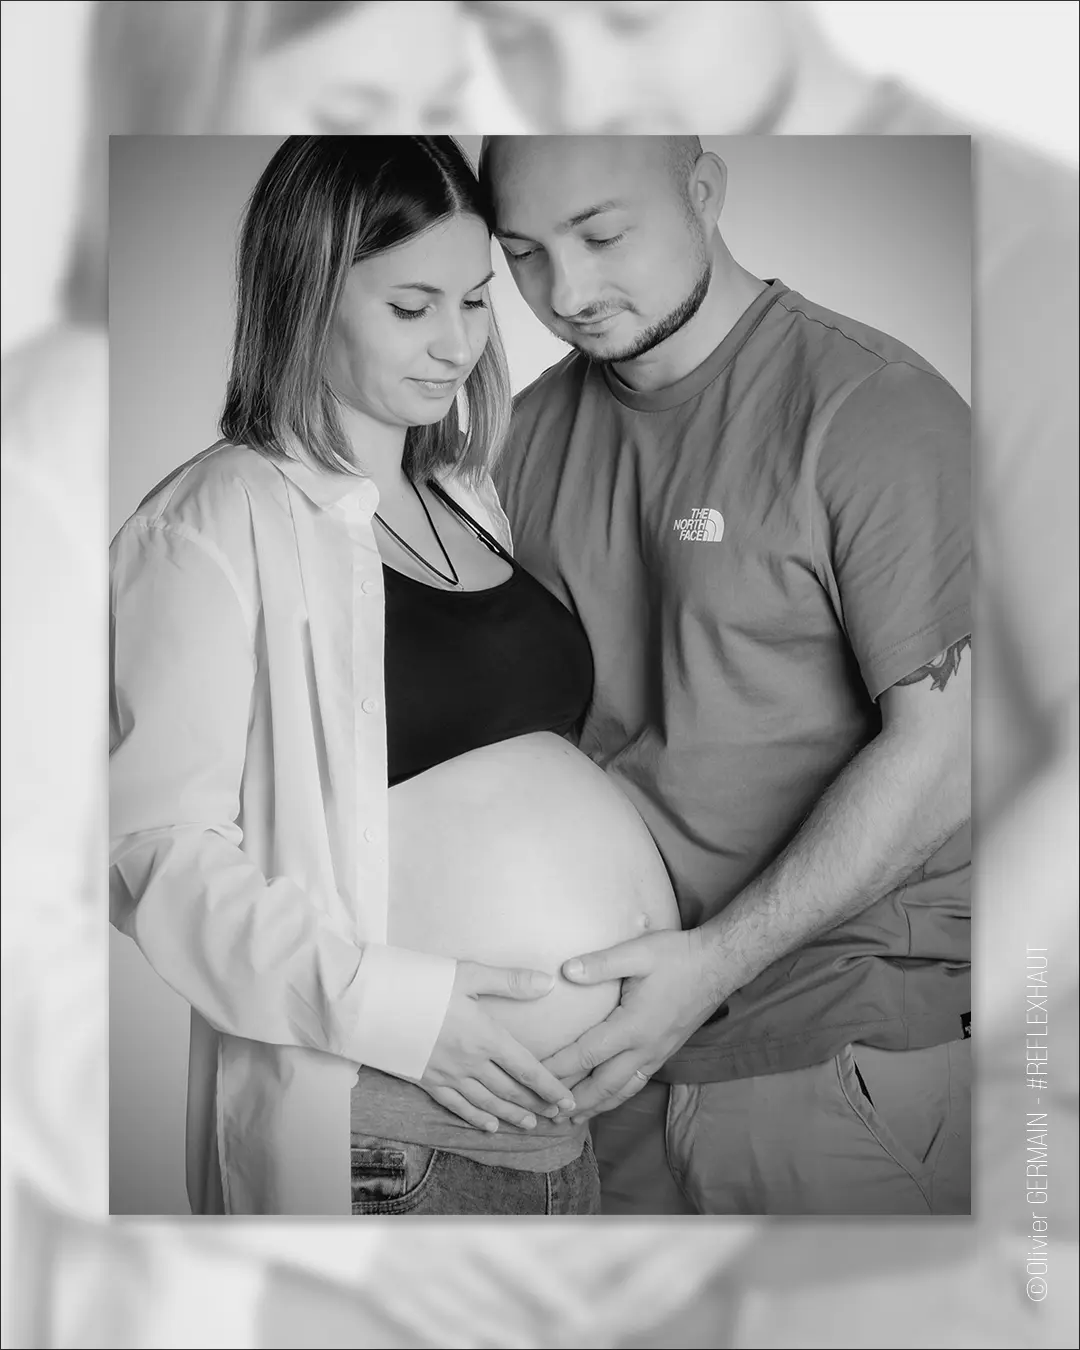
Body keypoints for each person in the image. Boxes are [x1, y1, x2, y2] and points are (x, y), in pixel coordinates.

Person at [109, 132, 682, 1218]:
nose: (457, 343)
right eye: (412, 307)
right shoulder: (214, 520)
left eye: (475, 301)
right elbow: (151, 851)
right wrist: (405, 1013)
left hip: (555, 1139)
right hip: (387, 1140)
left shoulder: (465, 495)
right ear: (305, 297)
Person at [480, 132, 973, 1216]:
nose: (566, 291)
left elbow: (949, 758)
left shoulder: (874, 410)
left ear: (703, 191)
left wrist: (712, 963)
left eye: (602, 235)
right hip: (604, 1059)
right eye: (521, 253)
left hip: (831, 1047)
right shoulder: (519, 437)